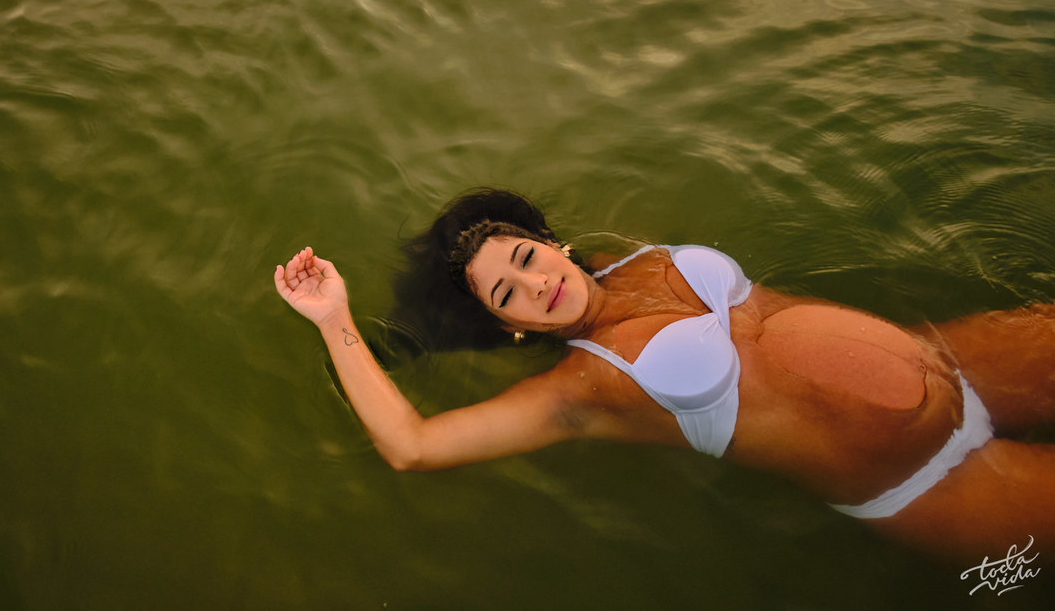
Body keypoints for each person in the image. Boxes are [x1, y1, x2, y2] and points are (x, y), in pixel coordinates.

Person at [274, 189, 1055, 563]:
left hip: (951, 358)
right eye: (507, 294)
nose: (535, 281)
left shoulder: (633, 260)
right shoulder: (581, 392)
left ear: (546, 238)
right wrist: (334, 318)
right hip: (940, 478)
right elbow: (413, 445)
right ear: (509, 325)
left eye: (524, 255)